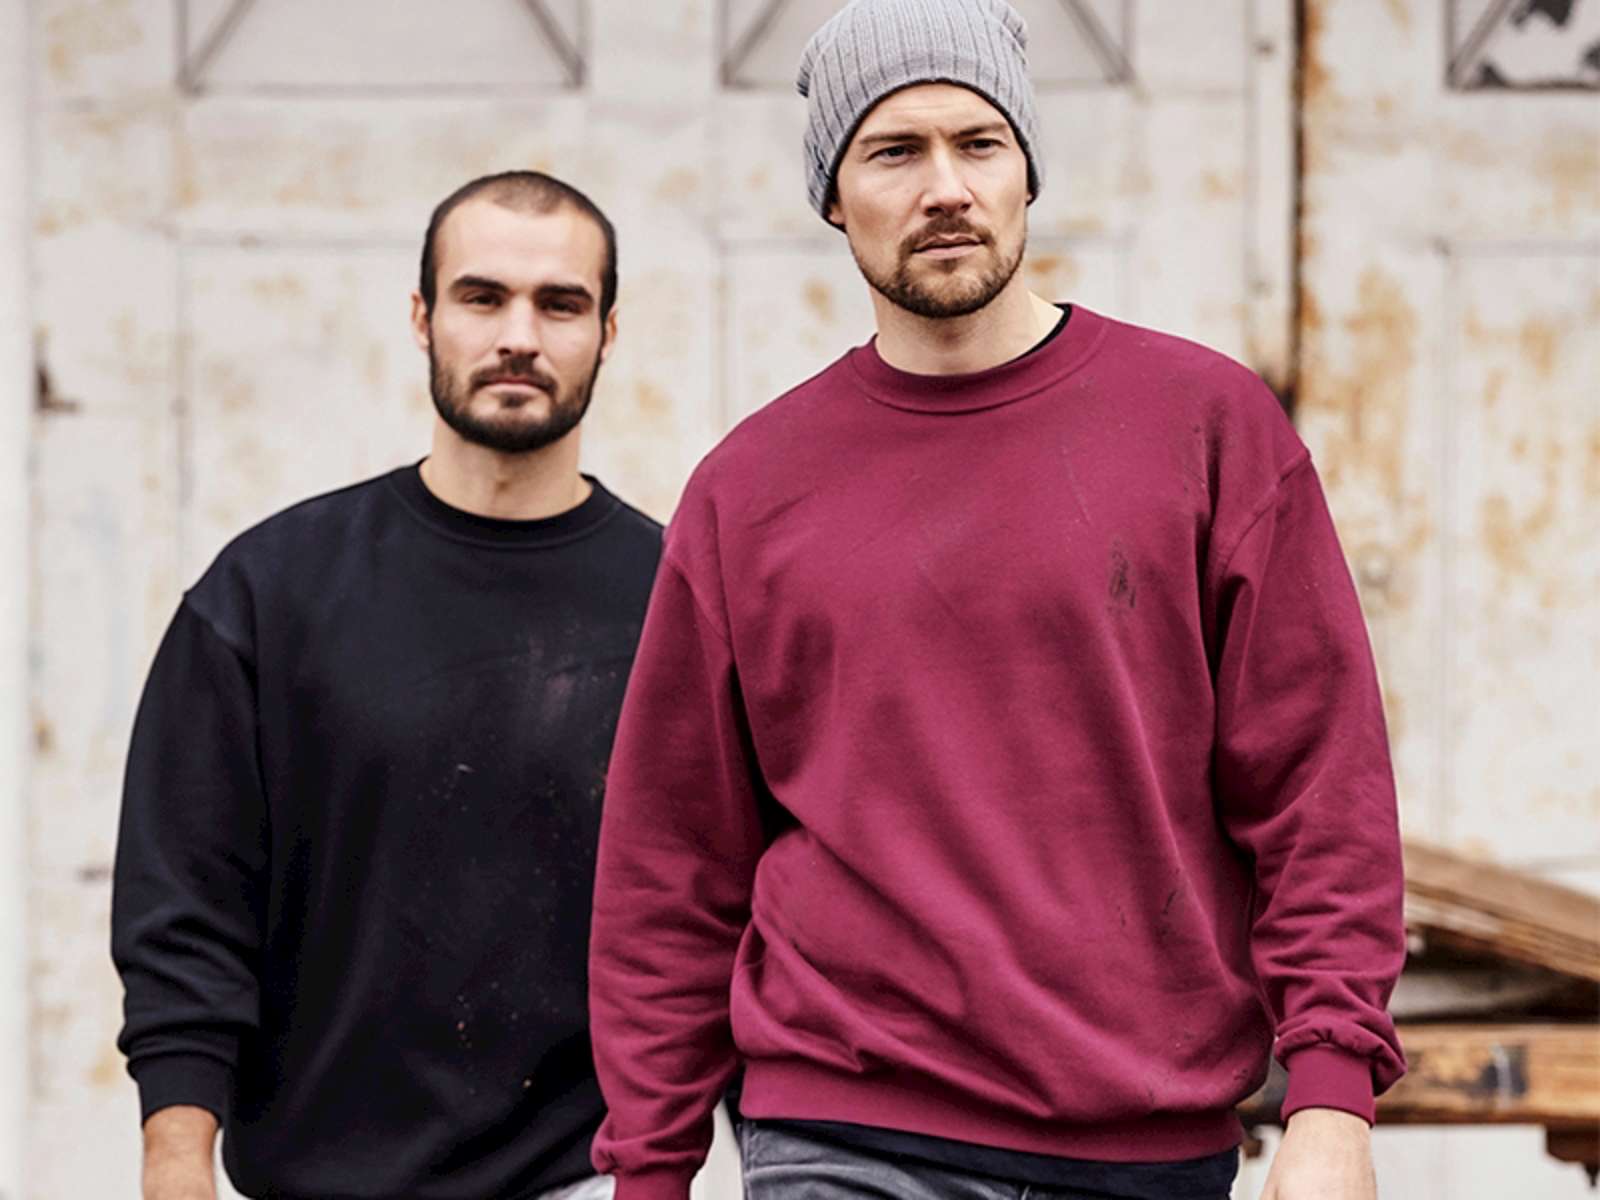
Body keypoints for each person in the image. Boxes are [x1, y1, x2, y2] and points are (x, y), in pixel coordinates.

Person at [586, 2, 1406, 1198]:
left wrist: (1331, 1099)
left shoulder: (1204, 426)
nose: (945, 187)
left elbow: (1319, 788)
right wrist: (649, 1173)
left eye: (978, 143)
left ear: (1027, 172)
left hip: (1141, 1139)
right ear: (832, 197)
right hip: (844, 1129)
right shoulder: (748, 490)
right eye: (892, 151)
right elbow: (672, 863)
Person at [112, 170, 660, 1200]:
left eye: (560, 304)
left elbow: (719, 925)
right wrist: (174, 1162)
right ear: (422, 317)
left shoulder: (675, 604)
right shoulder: (269, 592)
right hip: (310, 1180)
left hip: (577, 1179)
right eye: (482, 297)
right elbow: (183, 904)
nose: (518, 337)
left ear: (608, 333)